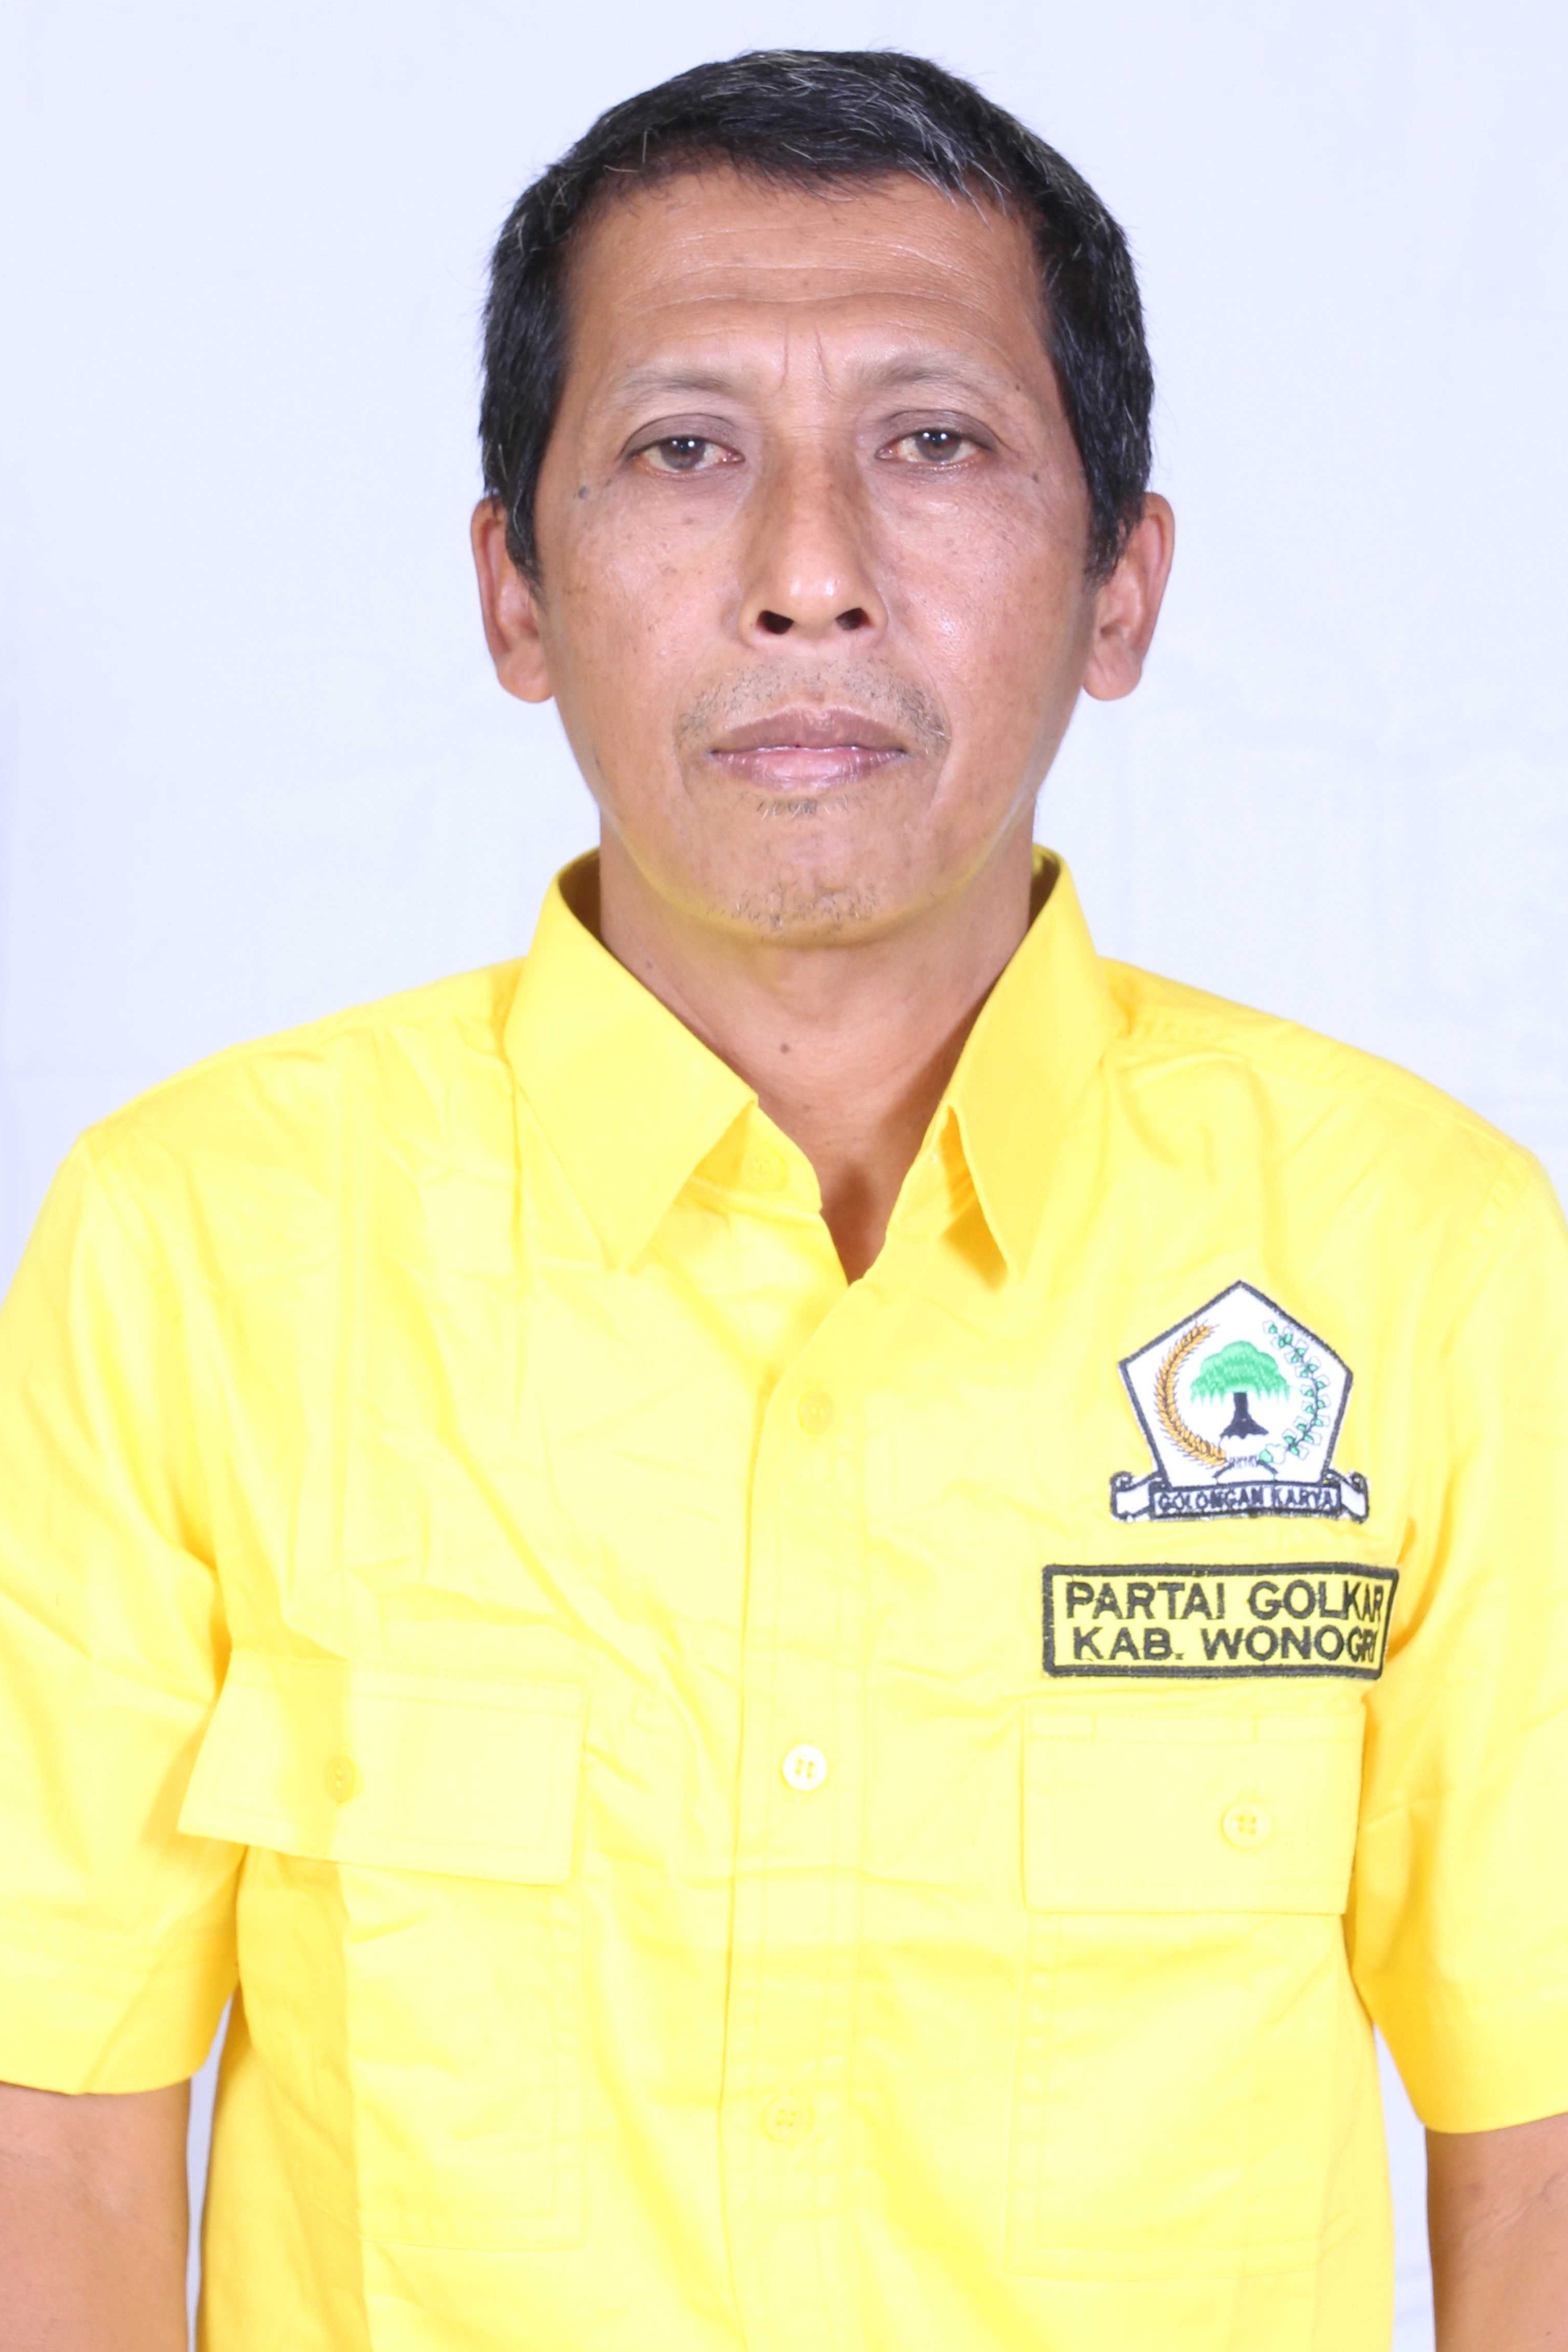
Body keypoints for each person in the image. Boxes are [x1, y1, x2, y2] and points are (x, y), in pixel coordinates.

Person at [0, 45, 1564, 2352]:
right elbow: (57, 2148)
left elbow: (1533, 2157)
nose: (807, 578)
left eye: (932, 443)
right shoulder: (198, 1253)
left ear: (1119, 587)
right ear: (514, 595)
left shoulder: (1417, 1259)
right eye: (681, 449)